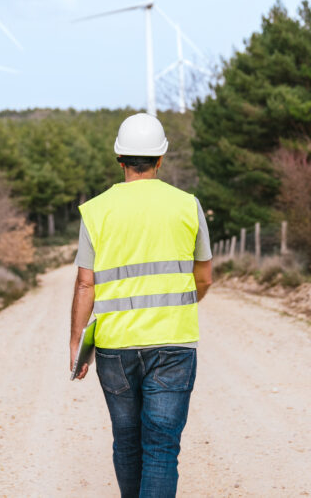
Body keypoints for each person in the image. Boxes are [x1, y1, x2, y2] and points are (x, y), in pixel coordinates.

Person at [70, 112, 213, 498]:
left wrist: (76, 345)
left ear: (119, 160)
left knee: (127, 442)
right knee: (162, 448)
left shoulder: (96, 210)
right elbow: (204, 277)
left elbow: (86, 282)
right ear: (160, 159)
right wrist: (180, 304)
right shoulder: (188, 205)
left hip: (116, 349)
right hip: (174, 344)